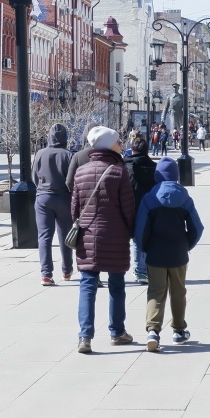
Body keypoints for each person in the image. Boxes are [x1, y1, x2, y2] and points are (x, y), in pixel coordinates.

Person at [71, 126, 137, 354]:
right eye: (118, 141)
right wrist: (131, 231)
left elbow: (75, 208)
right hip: (115, 235)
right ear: (109, 145)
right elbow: (128, 207)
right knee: (117, 285)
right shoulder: (119, 172)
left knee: (87, 285)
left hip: (87, 235)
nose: (121, 145)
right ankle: (117, 332)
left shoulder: (81, 171)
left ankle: (85, 336)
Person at [134, 157, 205, 352]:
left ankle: (153, 331)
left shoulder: (150, 198)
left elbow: (140, 229)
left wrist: (145, 248)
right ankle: (179, 330)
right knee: (178, 291)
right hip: (178, 252)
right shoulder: (185, 198)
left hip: (155, 252)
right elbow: (197, 228)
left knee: (156, 291)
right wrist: (187, 244)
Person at [33, 123, 75, 286]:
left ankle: (46, 274)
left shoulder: (40, 153)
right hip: (64, 197)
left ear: (49, 137)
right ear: (65, 138)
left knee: (44, 236)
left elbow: (34, 177)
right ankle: (67, 270)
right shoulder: (68, 155)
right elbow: (72, 180)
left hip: (43, 197)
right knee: (65, 235)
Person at [128, 136, 158, 285]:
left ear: (132, 150)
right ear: (147, 151)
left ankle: (136, 269)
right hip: (148, 208)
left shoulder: (125, 166)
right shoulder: (154, 168)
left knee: (133, 239)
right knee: (144, 238)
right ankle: (142, 269)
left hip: (128, 207)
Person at [64, 121, 100, 194]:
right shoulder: (109, 154)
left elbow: (69, 182)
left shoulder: (78, 156)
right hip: (105, 198)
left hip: (83, 197)